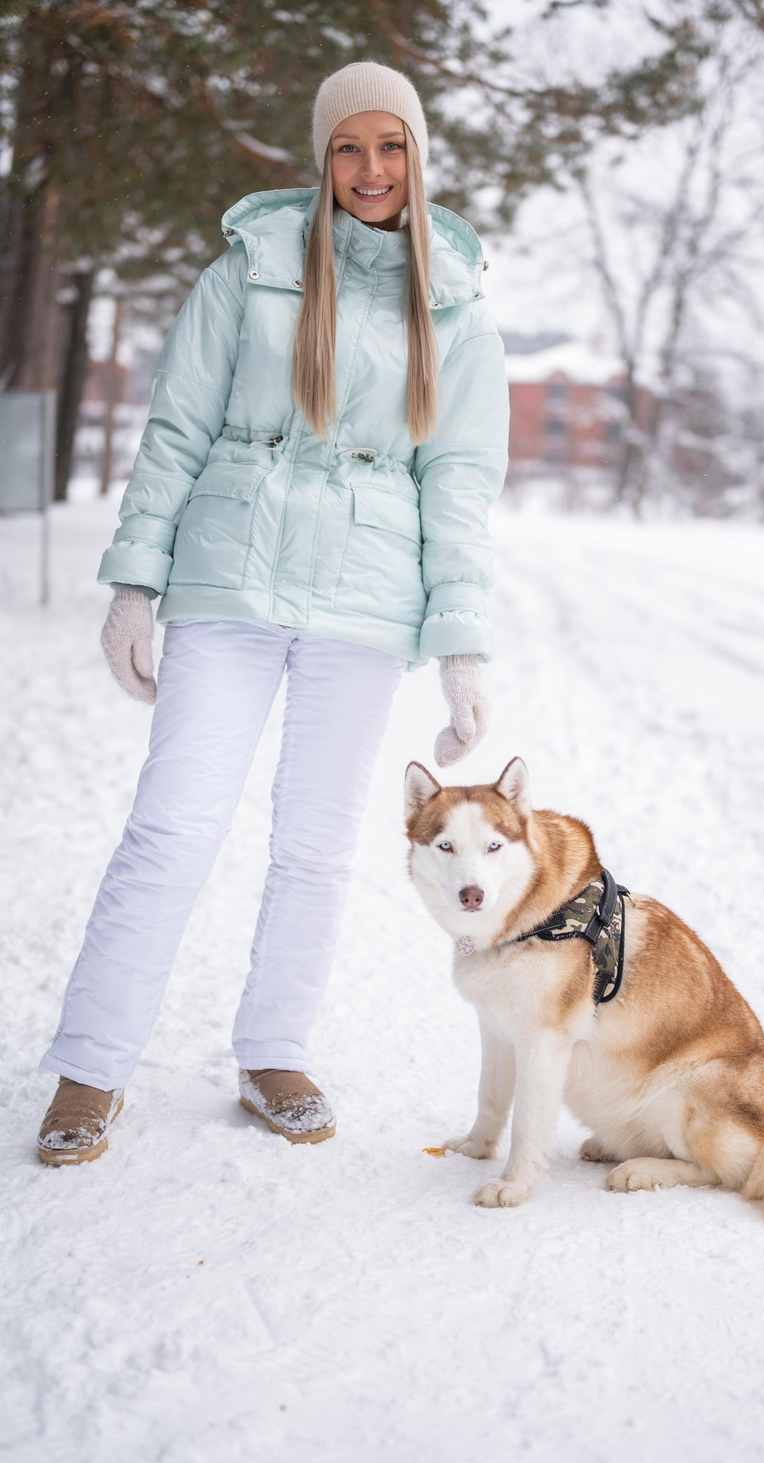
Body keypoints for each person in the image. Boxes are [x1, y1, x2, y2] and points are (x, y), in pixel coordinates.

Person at [36, 61, 509, 1165]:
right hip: (230, 572)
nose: (372, 170)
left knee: (316, 843)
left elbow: (461, 483)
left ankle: (273, 1049)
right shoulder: (248, 267)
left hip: (364, 596)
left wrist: (462, 651)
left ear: (418, 156)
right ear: (321, 154)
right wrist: (133, 585)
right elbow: (174, 432)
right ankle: (92, 1067)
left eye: (391, 148)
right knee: (173, 827)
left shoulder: (456, 301)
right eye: (349, 147)